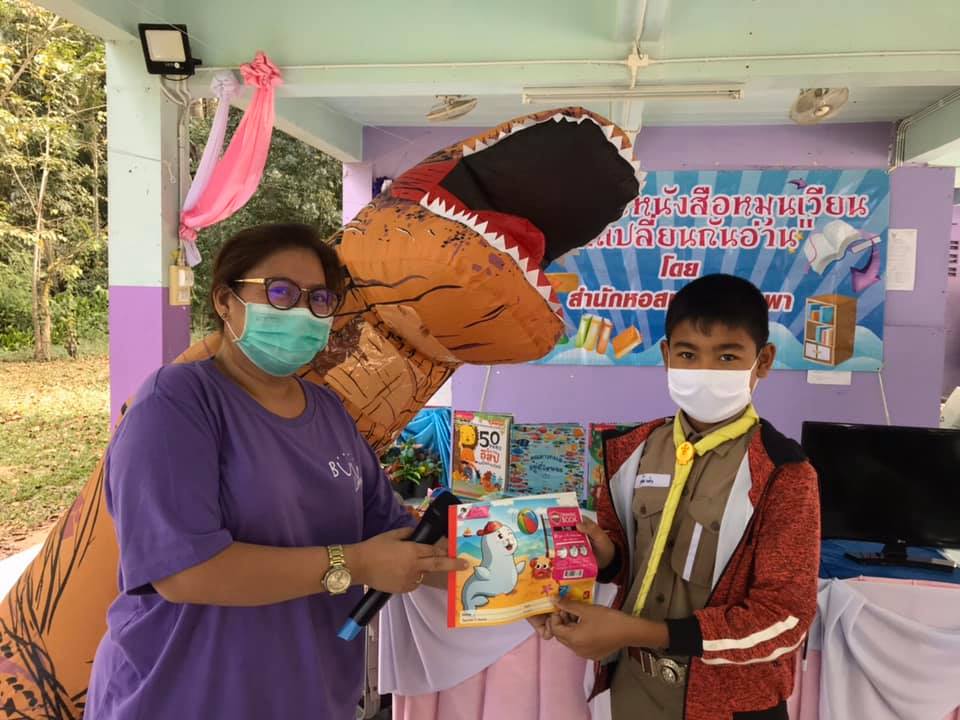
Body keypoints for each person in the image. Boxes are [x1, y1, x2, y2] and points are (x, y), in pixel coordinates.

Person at [85, 223, 466, 720]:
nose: (302, 311)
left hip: (311, 694)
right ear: (226, 301)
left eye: (319, 299)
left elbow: (394, 536)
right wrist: (355, 564)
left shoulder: (328, 412)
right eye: (280, 292)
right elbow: (184, 572)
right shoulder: (177, 403)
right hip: (184, 694)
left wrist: (516, 573)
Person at [535, 274, 820, 720]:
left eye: (727, 356)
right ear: (667, 356)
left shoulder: (784, 474)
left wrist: (642, 632)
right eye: (688, 354)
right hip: (632, 688)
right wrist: (604, 554)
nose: (705, 371)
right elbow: (628, 563)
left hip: (728, 703)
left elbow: (784, 619)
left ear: (762, 361)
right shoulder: (629, 451)